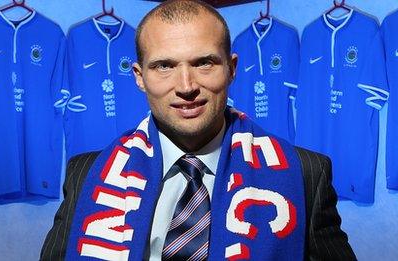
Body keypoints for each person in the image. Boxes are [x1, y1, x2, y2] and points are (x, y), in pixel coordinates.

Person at [41, 0, 356, 260]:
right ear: (139, 76)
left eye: (204, 63)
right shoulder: (86, 174)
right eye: (164, 66)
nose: (186, 86)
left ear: (231, 69)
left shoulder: (305, 173)